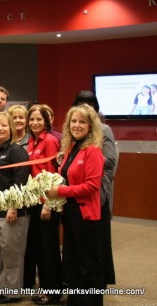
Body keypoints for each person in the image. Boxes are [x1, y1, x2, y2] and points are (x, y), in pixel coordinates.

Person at [46, 104, 104, 306]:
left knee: (88, 265)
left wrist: (59, 191)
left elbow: (91, 186)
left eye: (82, 122)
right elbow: (68, 175)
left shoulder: (93, 150)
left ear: (90, 126)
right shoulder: (72, 147)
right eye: (73, 121)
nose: (77, 125)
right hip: (70, 213)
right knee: (71, 261)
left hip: (85, 215)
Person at [71, 90, 118, 287]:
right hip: (76, 192)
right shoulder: (74, 129)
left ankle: (98, 284)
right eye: (81, 103)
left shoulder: (103, 129)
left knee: (97, 243)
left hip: (96, 192)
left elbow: (111, 161)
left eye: (89, 103)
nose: (85, 107)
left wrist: (88, 160)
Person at [0, 112, 30, 304]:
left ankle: (13, 291)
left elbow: (21, 182)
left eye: (4, 126)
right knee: (0, 253)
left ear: (11, 128)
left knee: (12, 253)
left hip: (13, 212)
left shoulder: (16, 151)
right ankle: (3, 286)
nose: (0, 129)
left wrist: (14, 207)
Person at [24, 104, 62, 305]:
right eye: (32, 119)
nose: (35, 123)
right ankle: (44, 287)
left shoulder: (50, 141)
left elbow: (55, 175)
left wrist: (48, 204)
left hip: (47, 203)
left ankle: (53, 292)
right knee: (39, 248)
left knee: (49, 248)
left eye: (39, 119)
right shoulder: (31, 141)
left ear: (46, 121)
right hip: (34, 202)